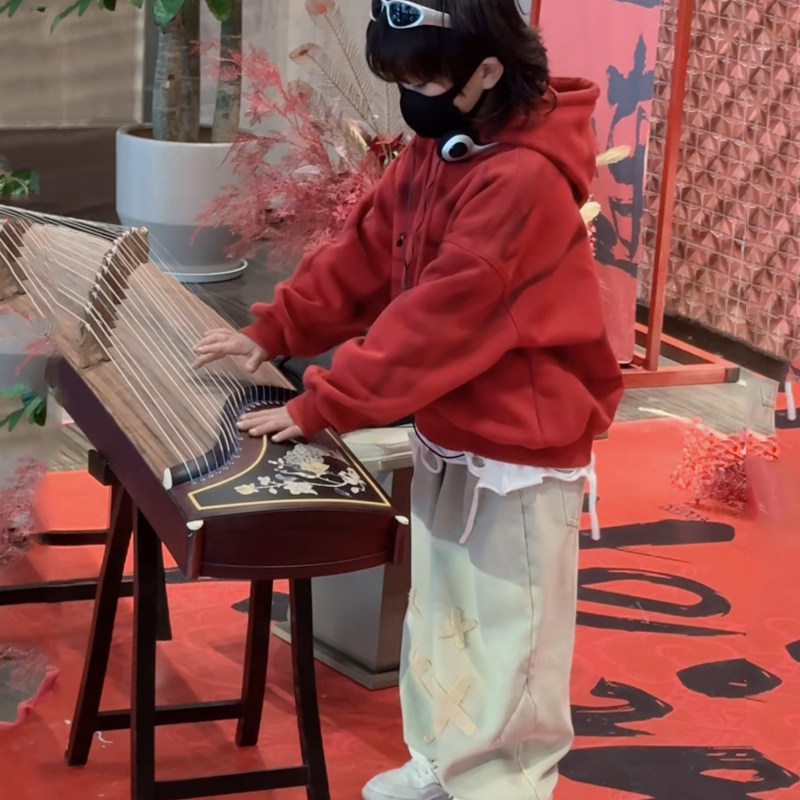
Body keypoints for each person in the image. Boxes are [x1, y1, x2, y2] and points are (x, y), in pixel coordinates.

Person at [194, 1, 624, 798]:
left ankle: (500, 787)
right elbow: (367, 248)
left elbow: (439, 316)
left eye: (423, 82)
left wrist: (321, 402)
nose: (411, 100)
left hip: (521, 439)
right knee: (441, 612)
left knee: (510, 629)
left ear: (487, 69)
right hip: (452, 418)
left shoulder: (523, 176)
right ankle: (440, 762)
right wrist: (278, 329)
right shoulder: (448, 140)